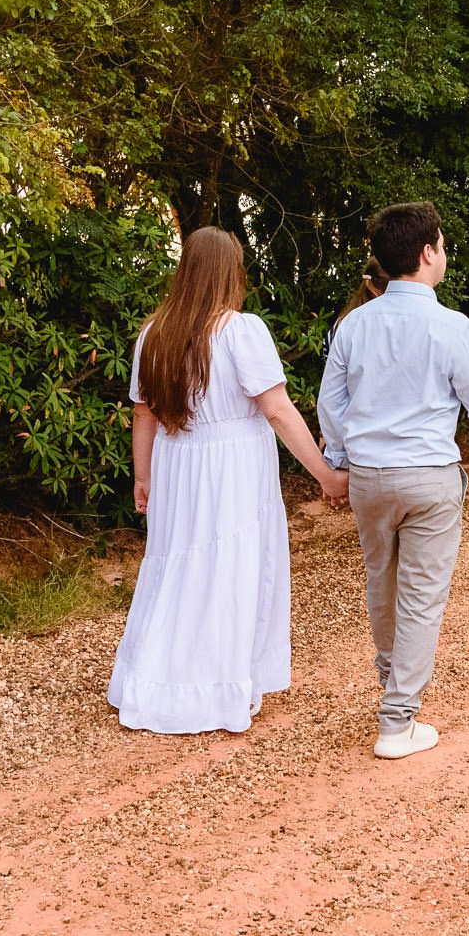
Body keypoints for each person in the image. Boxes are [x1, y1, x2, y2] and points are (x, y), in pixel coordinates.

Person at [109, 226, 349, 735]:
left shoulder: (155, 334)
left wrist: (144, 476)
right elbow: (279, 412)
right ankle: (215, 688)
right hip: (231, 469)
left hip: (178, 465)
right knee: (229, 570)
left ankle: (156, 677)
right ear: (229, 273)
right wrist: (326, 477)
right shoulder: (241, 331)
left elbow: (144, 414)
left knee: (176, 569)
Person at [318, 202, 469, 760]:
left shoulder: (353, 324)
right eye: (444, 246)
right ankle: (397, 718)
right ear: (428, 253)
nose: (444, 254)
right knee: (423, 596)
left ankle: (392, 679)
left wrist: (339, 456)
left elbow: (331, 401)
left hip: (369, 477)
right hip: (429, 476)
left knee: (380, 579)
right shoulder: (451, 326)